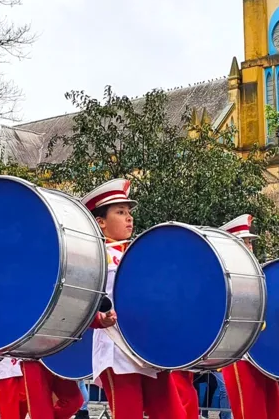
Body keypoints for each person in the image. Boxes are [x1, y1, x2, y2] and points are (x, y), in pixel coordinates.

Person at [84, 178, 186, 419]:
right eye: (120, 212)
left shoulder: (139, 254)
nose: (129, 218)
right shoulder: (92, 256)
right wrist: (98, 319)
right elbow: (78, 302)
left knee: (173, 414)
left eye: (129, 213)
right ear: (100, 222)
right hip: (116, 348)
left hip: (148, 346)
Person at [219, 214, 279, 419]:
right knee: (251, 413)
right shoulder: (223, 277)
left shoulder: (258, 275)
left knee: (275, 413)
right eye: (244, 242)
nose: (250, 247)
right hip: (240, 355)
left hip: (262, 355)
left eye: (250, 242)